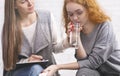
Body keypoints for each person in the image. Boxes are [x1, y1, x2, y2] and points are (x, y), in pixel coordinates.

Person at [42, 0, 120, 76]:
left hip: (115, 71)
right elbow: (83, 61)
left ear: (89, 9)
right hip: (96, 72)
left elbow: (93, 62)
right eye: (71, 14)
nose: (75, 18)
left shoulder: (104, 26)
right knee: (83, 71)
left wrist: (57, 67)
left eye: (79, 13)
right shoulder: (79, 29)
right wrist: (77, 36)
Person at [2, 0, 69, 76]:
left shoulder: (47, 17)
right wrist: (27, 61)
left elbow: (55, 47)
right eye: (23, 1)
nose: (30, 3)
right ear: (14, 6)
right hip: (19, 73)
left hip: (47, 71)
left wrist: (68, 41)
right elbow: (8, 63)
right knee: (35, 69)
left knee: (39, 71)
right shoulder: (9, 27)